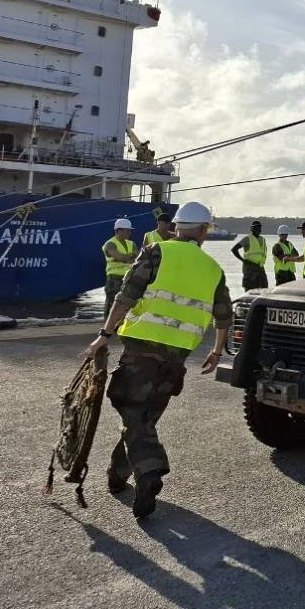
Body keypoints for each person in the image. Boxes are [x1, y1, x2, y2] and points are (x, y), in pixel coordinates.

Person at [83, 200, 230, 520]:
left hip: (142, 349)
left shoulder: (156, 251)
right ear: (203, 231)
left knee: (132, 409)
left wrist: (104, 335)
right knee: (143, 418)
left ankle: (149, 471)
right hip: (177, 358)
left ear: (176, 227)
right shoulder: (213, 268)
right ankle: (117, 476)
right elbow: (224, 316)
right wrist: (216, 352)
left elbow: (126, 296)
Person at [102, 218, 137, 319]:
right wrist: (129, 257)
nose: (130, 233)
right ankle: (107, 325)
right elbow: (120, 257)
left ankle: (120, 324)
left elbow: (138, 258)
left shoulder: (131, 243)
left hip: (128, 278)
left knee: (126, 304)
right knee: (112, 303)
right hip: (114, 279)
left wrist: (125, 258)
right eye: (127, 230)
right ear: (119, 230)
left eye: (130, 231)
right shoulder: (110, 244)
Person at [231, 220, 268, 290]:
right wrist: (243, 260)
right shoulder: (247, 239)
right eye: (255, 227)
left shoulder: (263, 239)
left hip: (260, 267)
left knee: (264, 289)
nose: (257, 229)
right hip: (250, 267)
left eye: (259, 227)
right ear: (251, 229)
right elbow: (234, 249)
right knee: (250, 290)